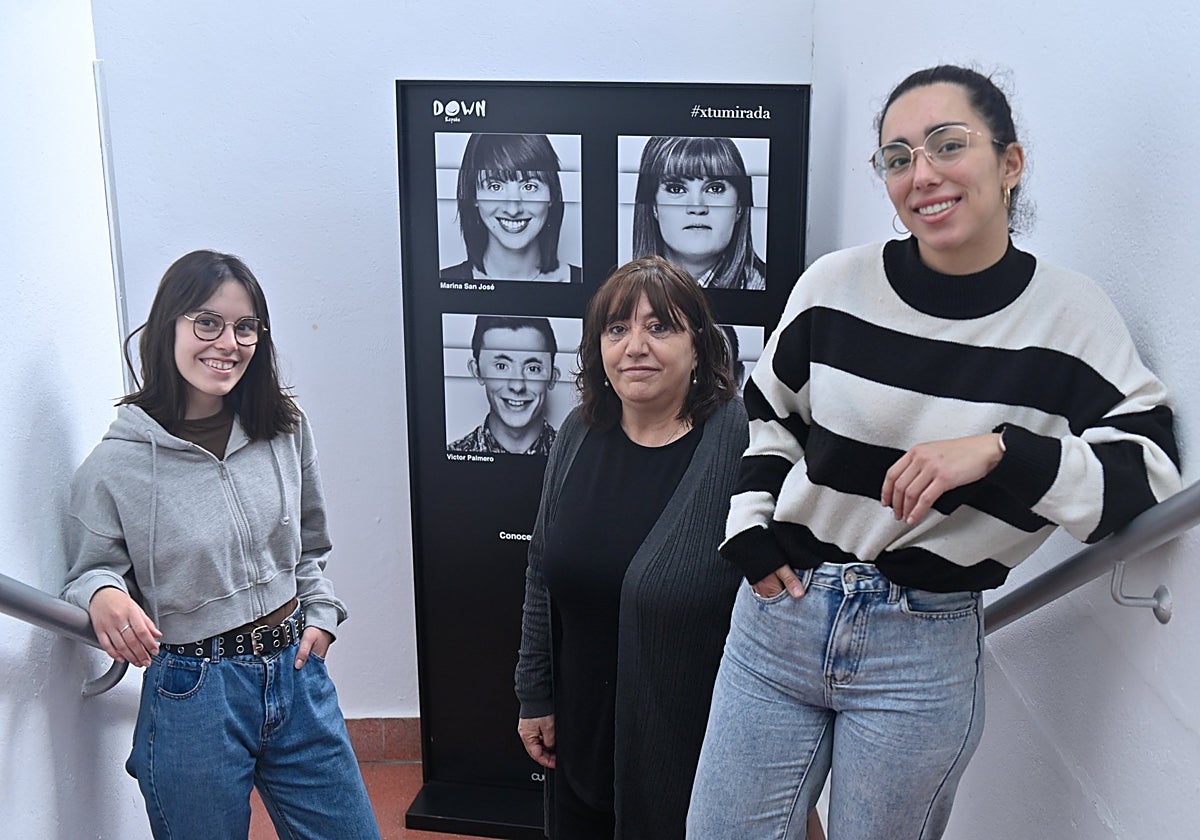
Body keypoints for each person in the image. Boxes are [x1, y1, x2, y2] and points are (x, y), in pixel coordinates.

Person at [687, 65, 1182, 839]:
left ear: (1009, 162)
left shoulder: (1073, 318)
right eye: (897, 157)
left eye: (949, 145)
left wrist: (1000, 450)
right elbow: (770, 413)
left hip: (920, 651)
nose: (923, 174)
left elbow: (1148, 475)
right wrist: (750, 527)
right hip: (779, 617)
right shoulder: (834, 286)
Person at [61, 250, 381, 839]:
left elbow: (310, 545)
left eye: (244, 326)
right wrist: (102, 593)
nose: (226, 342)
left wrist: (322, 612)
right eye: (205, 322)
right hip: (194, 693)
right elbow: (89, 570)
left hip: (297, 671)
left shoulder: (284, 427)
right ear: (169, 328)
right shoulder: (114, 467)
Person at [513, 255, 750, 839]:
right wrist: (534, 692)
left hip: (687, 754)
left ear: (700, 345)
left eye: (660, 327)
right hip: (581, 737)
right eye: (617, 329)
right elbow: (543, 568)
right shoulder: (577, 432)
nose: (634, 346)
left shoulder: (738, 442)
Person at [441, 133, 582, 283]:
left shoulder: (590, 284)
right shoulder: (443, 281)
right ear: (473, 196)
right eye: (495, 186)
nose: (513, 210)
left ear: (552, 196)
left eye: (529, 186)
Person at [633, 136, 767, 290]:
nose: (697, 207)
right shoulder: (622, 291)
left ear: (739, 206)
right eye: (676, 189)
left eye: (715, 189)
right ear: (653, 206)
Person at [448, 314, 561, 455]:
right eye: (501, 366)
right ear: (476, 370)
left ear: (553, 377)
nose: (517, 386)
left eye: (533, 368)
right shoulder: (453, 453)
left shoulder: (576, 459)